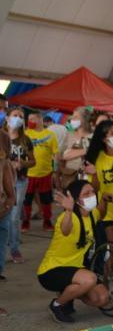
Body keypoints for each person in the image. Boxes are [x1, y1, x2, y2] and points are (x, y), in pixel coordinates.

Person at [37, 180, 110, 323]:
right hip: (53, 270)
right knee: (90, 279)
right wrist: (69, 210)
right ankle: (57, 305)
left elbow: (101, 213)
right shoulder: (67, 217)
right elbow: (65, 229)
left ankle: (68, 295)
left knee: (102, 298)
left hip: (77, 268)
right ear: (76, 200)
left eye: (92, 192)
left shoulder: (92, 213)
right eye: (86, 193)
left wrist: (104, 199)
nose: (91, 195)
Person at [6, 107, 35, 263]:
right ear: (7, 119)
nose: (18, 118)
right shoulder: (2, 137)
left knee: (14, 217)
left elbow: (33, 161)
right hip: (3, 180)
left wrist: (22, 163)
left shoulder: (26, 140)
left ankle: (15, 249)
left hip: (20, 180)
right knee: (5, 216)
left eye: (21, 116)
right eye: (15, 115)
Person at [24, 112, 59, 231]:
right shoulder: (25, 133)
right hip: (28, 174)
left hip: (45, 173)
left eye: (32, 119)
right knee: (26, 200)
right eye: (29, 119)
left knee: (46, 200)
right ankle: (25, 221)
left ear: (40, 120)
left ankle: (47, 221)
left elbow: (56, 154)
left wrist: (55, 171)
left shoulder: (50, 135)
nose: (30, 121)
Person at [59, 106, 93, 190]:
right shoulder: (68, 135)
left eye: (76, 117)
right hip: (70, 176)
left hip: (89, 178)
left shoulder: (94, 136)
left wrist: (71, 153)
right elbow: (62, 156)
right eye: (73, 117)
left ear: (85, 119)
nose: (72, 120)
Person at [0, 127, 16, 282]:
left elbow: (10, 193)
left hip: (2, 209)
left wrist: (8, 204)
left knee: (2, 237)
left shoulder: (3, 163)